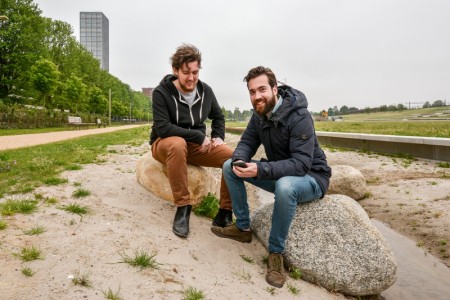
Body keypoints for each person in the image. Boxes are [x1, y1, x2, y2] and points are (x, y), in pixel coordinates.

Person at [211, 66, 331, 288]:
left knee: (285, 187)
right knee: (229, 166)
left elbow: (301, 164)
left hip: (311, 177)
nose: (257, 96)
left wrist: (259, 170)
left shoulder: (299, 116)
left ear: (275, 89)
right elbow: (246, 143)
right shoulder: (259, 116)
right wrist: (240, 160)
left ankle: (276, 254)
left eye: (262, 89)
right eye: (252, 92)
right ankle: (243, 229)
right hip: (282, 173)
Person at [150, 44, 234, 238]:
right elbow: (163, 128)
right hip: (165, 144)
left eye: (195, 72)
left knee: (232, 157)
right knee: (178, 143)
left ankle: (224, 212)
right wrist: (198, 136)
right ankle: (183, 207)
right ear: (175, 70)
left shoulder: (206, 91)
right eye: (186, 72)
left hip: (195, 148)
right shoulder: (161, 93)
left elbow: (218, 117)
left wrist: (217, 137)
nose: (191, 78)